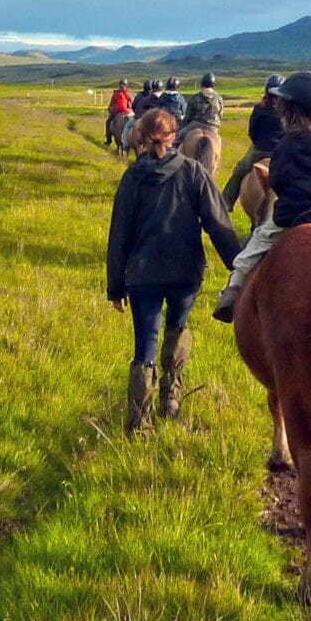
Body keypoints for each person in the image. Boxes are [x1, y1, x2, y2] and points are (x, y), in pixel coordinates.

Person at [107, 107, 242, 433]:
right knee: (177, 327)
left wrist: (115, 287)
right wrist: (239, 268)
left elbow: (119, 233)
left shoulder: (132, 177)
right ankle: (172, 394)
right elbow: (218, 225)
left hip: (143, 275)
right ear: (174, 137)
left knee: (145, 345)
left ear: (138, 136)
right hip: (185, 273)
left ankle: (139, 424)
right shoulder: (195, 172)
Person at [211, 71, 311, 324]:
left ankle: (231, 294)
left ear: (294, 110)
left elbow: (277, 181)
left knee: (249, 253)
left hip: (291, 216)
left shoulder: (289, 142)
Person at [222, 74, 284, 209]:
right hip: (281, 152)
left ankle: (226, 202)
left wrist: (258, 143)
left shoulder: (259, 109)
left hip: (260, 149)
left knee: (240, 170)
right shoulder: (286, 111)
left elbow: (252, 131)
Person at [179, 72, 223, 140]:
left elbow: (188, 116)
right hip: (213, 127)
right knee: (219, 141)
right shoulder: (219, 99)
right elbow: (220, 115)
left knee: (177, 137)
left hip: (196, 124)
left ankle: (172, 150)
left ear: (202, 83)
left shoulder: (195, 97)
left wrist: (184, 125)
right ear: (213, 84)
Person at [105, 79, 133, 146]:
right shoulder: (128, 93)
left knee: (108, 122)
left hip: (116, 111)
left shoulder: (116, 93)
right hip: (127, 111)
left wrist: (109, 108)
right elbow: (132, 102)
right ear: (126, 85)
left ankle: (109, 140)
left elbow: (111, 104)